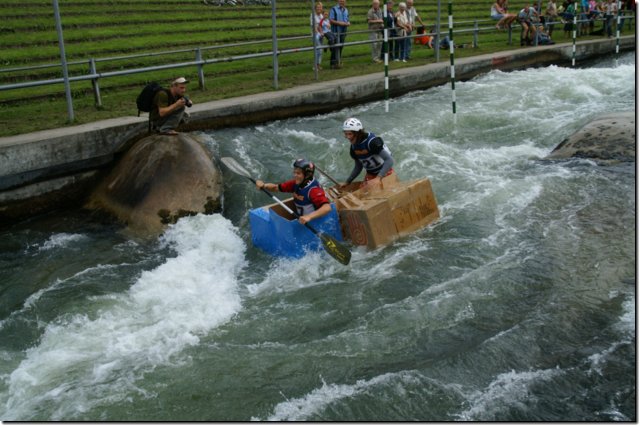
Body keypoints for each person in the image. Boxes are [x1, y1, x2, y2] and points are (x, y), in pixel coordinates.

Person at [255, 159, 332, 225]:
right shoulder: (295, 183)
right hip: (301, 220)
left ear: (307, 175)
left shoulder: (313, 190)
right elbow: (275, 188)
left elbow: (327, 207)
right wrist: (264, 185)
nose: (295, 175)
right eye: (294, 172)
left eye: (298, 173)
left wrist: (309, 217)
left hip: (313, 221)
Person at [340, 117, 395, 191]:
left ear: (358, 133)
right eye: (346, 134)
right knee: (364, 195)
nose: (348, 137)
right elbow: (358, 166)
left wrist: (378, 178)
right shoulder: (353, 148)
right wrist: (348, 181)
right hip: (371, 174)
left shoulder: (372, 143)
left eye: (350, 134)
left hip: (385, 171)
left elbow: (389, 160)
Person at [329, 0, 350, 68]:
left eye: (343, 1)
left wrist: (348, 22)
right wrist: (340, 23)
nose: (342, 2)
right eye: (341, 1)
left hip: (343, 32)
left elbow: (347, 19)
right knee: (335, 47)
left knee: (341, 46)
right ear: (338, 1)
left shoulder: (346, 10)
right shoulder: (333, 9)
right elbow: (331, 20)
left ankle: (338, 62)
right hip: (335, 32)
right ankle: (332, 63)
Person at [311, 2, 324, 70]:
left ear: (322, 9)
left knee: (320, 50)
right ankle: (315, 66)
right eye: (317, 7)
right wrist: (319, 32)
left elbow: (322, 25)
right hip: (315, 36)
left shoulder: (322, 16)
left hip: (321, 35)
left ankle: (318, 64)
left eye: (320, 7)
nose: (319, 8)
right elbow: (314, 26)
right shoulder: (313, 15)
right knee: (318, 50)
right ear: (315, 8)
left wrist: (322, 33)